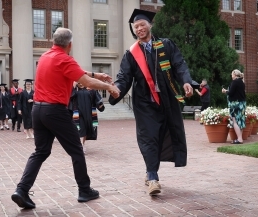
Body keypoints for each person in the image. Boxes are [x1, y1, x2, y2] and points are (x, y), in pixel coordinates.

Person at [11, 27, 120, 209]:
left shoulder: (45, 57)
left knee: (41, 151)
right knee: (77, 150)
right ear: (70, 44)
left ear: (54, 41)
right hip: (55, 111)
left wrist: (96, 74)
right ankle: (84, 190)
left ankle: (22, 190)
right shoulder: (65, 59)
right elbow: (86, 82)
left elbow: (75, 72)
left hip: (37, 110)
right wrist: (109, 87)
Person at [108, 9, 193, 196]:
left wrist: (186, 81)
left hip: (167, 100)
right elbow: (124, 78)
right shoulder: (131, 54)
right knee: (149, 137)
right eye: (136, 26)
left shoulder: (166, 45)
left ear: (150, 25)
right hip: (145, 103)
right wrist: (115, 91)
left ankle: (150, 171)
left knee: (165, 134)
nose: (139, 28)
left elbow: (179, 65)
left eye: (142, 25)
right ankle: (153, 177)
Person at [70, 82, 105, 154]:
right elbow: (70, 97)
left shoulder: (91, 90)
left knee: (85, 130)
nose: (81, 83)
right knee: (79, 129)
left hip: (89, 114)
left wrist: (100, 105)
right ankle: (80, 146)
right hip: (78, 113)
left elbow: (97, 99)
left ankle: (82, 145)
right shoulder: (75, 90)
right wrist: (73, 87)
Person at [222, 69, 246, 144]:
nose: (231, 75)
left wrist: (225, 91)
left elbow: (231, 93)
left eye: (232, 74)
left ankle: (239, 139)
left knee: (235, 121)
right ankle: (240, 138)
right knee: (241, 121)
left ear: (234, 74)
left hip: (235, 104)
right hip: (242, 103)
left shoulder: (235, 82)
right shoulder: (242, 82)